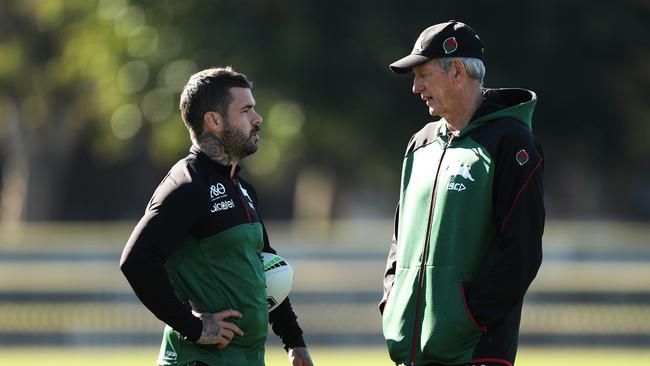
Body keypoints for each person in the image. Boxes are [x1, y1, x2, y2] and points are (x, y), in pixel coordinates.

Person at [120, 66, 314, 366]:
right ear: (214, 120)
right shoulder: (187, 185)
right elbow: (136, 260)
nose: (258, 118)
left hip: (246, 359)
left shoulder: (241, 186)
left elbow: (264, 265)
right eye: (246, 110)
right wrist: (194, 326)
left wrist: (295, 342)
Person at [379, 21, 544, 366]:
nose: (415, 87)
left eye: (423, 74)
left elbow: (521, 251)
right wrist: (393, 302)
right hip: (411, 351)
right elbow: (400, 239)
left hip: (475, 352)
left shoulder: (511, 142)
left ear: (456, 70)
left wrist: (468, 320)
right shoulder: (419, 144)